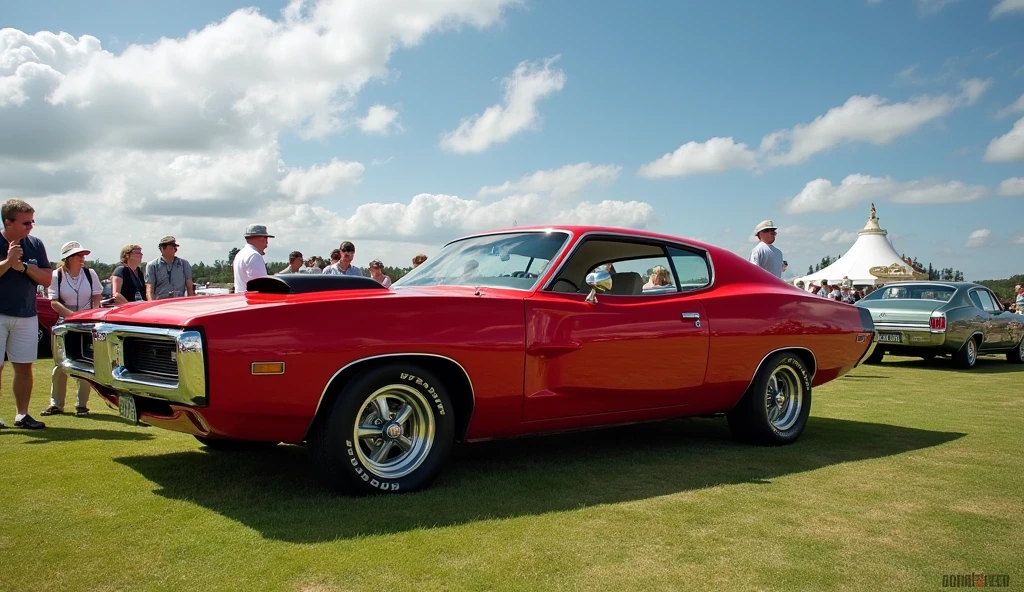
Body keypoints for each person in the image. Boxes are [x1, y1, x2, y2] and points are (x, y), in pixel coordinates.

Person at [0, 199, 51, 429]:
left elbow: (47, 278)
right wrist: (8, 262)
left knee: (24, 366)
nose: (31, 226)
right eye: (25, 222)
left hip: (27, 314)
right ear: (8, 222)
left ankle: (22, 415)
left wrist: (23, 267)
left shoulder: (35, 244)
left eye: (32, 221)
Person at [40, 241, 102, 417]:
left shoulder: (90, 274)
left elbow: (97, 294)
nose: (82, 258)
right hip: (64, 324)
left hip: (87, 324)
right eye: (78, 255)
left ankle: (81, 405)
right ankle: (56, 404)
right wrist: (72, 316)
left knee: (85, 364)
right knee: (60, 364)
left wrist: (91, 312)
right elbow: (54, 302)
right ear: (68, 258)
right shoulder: (56, 275)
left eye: (83, 255)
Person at [145, 235, 196, 300]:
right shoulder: (152, 265)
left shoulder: (184, 264)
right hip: (160, 305)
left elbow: (190, 287)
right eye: (172, 248)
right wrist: (151, 306)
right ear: (162, 248)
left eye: (175, 247)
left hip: (179, 303)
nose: (175, 250)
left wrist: (190, 304)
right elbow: (149, 290)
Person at [233, 224, 274, 293]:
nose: (266, 243)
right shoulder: (254, 255)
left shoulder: (241, 254)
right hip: (251, 300)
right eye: (266, 238)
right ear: (261, 238)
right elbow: (261, 285)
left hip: (240, 299)